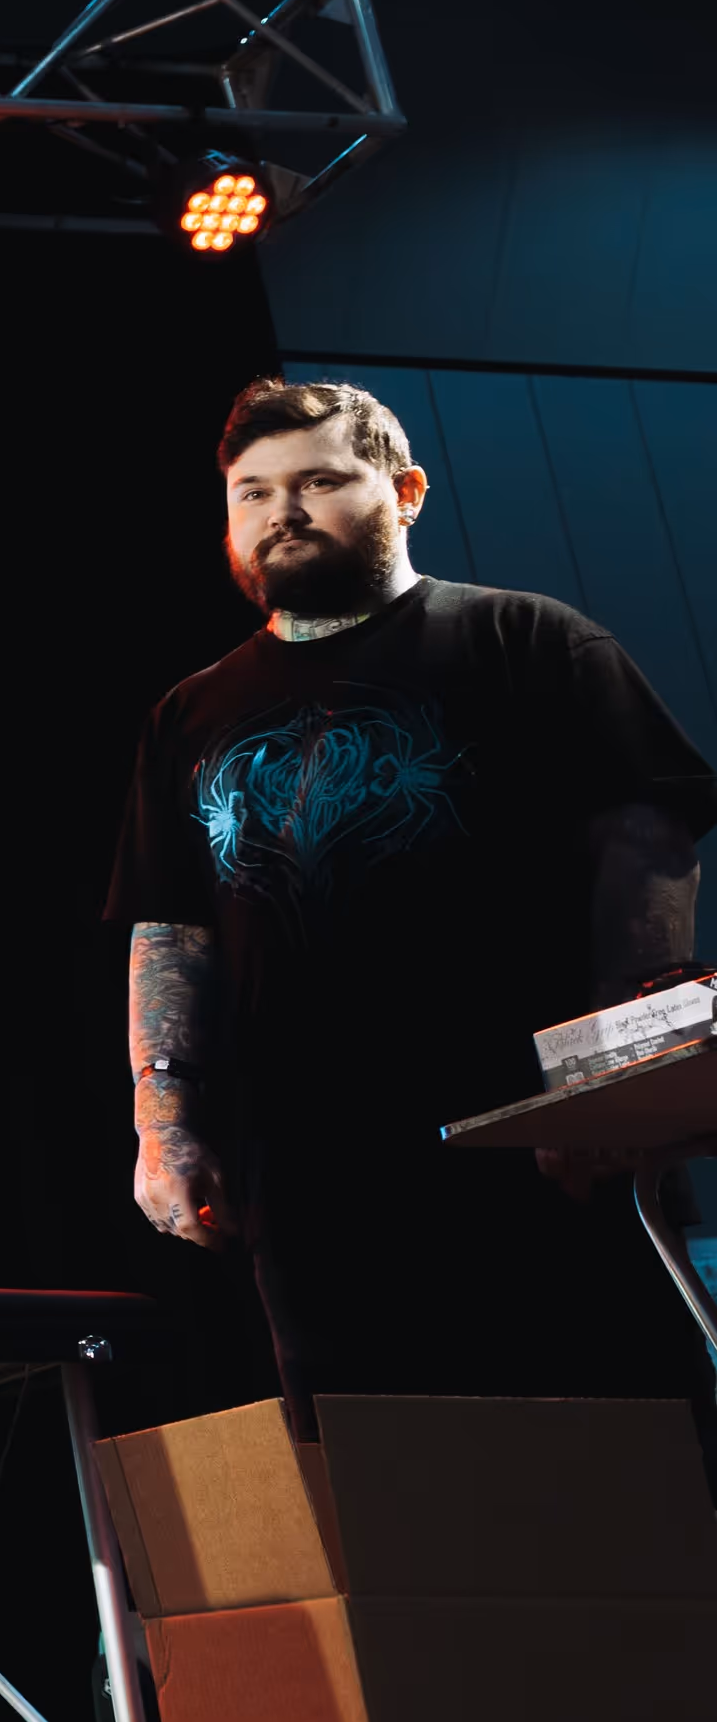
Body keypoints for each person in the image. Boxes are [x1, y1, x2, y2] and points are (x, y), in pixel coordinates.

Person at [114, 377, 713, 1426]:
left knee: (618, 1464)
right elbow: (172, 924)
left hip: (530, 1147)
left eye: (317, 481)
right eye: (250, 492)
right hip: (306, 1178)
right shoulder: (189, 711)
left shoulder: (526, 641)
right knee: (383, 1485)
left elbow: (645, 846)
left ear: (406, 492)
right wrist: (162, 1118)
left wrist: (612, 1086)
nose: (280, 512)